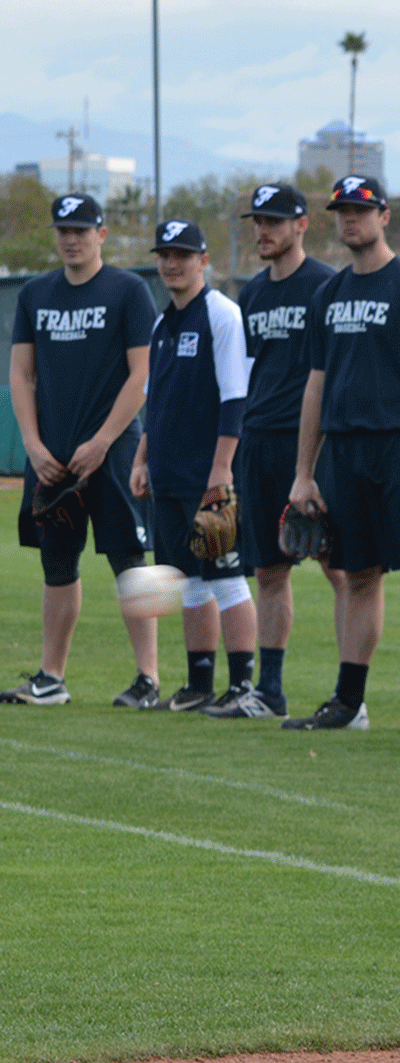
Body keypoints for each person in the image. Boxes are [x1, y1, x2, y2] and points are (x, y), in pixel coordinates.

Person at [282, 175, 400, 733]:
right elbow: (315, 386)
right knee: (358, 574)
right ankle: (348, 700)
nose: (350, 219)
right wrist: (303, 473)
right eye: (342, 210)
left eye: (361, 209)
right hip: (346, 451)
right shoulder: (328, 295)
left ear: (384, 216)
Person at [6, 192, 160, 707]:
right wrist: (31, 444)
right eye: (63, 230)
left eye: (81, 230)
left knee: (129, 561)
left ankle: (148, 677)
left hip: (112, 451)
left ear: (102, 235)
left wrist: (104, 440)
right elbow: (21, 374)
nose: (71, 239)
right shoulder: (35, 295)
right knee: (56, 563)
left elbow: (142, 374)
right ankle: (51, 677)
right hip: (51, 454)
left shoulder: (128, 290)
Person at [130, 219, 261, 712]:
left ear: (204, 261)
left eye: (182, 255)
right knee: (188, 582)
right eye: (164, 254)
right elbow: (153, 402)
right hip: (168, 473)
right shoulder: (162, 325)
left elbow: (234, 400)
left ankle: (244, 686)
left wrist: (222, 471)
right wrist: (142, 460)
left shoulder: (222, 315)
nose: (171, 263)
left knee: (226, 579)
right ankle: (199, 683)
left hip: (209, 475)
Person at [228, 182, 345, 720]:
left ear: (302, 225)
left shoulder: (326, 285)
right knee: (269, 571)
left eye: (275, 221)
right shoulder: (250, 295)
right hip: (259, 442)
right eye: (258, 221)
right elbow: (240, 377)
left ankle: (351, 694)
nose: (263, 230)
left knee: (339, 567)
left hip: (313, 446)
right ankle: (269, 692)